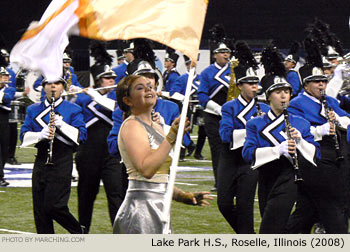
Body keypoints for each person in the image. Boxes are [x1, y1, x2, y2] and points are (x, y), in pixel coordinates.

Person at [113, 75, 212, 234]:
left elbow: (159, 181)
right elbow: (146, 171)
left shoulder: (157, 127)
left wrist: (184, 196)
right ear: (128, 101)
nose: (148, 88)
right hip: (140, 210)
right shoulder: (132, 126)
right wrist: (172, 135)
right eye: (140, 88)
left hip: (158, 208)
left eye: (149, 85)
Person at [242, 77, 320, 234]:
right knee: (272, 224)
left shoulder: (301, 123)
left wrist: (300, 142)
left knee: (269, 229)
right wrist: (277, 150)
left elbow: (316, 154)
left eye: (286, 92)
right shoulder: (254, 124)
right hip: (265, 178)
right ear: (269, 96)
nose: (284, 96)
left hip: (290, 178)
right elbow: (247, 154)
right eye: (278, 92)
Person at [287, 61, 350, 233]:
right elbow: (296, 131)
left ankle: (286, 237)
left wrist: (338, 119)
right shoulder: (296, 103)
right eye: (316, 81)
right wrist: (320, 131)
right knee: (333, 203)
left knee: (306, 210)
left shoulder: (329, 100)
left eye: (323, 80)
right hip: (316, 158)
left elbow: (347, 119)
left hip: (338, 156)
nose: (321, 84)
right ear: (306, 85)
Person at [20, 77, 87, 233]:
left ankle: (79, 231)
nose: (53, 87)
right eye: (49, 84)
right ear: (44, 87)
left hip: (62, 159)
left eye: (57, 84)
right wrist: (40, 135)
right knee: (40, 211)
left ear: (62, 87)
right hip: (41, 159)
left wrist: (62, 125)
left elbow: (82, 136)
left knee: (54, 206)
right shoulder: (33, 109)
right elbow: (23, 136)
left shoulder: (73, 109)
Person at [217, 41, 270, 233]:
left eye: (256, 83)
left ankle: (247, 239)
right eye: (250, 83)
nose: (255, 87)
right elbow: (225, 135)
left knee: (245, 205)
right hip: (229, 158)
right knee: (223, 203)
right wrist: (253, 129)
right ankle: (247, 235)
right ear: (240, 85)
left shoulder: (264, 108)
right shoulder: (229, 107)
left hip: (250, 160)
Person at [74, 65, 124, 233]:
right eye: (107, 78)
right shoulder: (82, 99)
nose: (111, 81)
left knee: (116, 195)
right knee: (86, 195)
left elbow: (115, 109)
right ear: (98, 81)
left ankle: (120, 235)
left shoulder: (119, 99)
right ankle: (82, 232)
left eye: (113, 78)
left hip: (112, 155)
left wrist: (93, 94)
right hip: (88, 154)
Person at [198, 42, 231, 191]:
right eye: (222, 52)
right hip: (213, 114)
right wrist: (218, 109)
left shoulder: (235, 70)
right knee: (217, 148)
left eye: (227, 52)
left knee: (233, 146)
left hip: (233, 114)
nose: (226, 54)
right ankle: (220, 182)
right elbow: (202, 96)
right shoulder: (207, 72)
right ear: (215, 55)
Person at [0, 67, 16, 186]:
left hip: (3, 118)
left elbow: (7, 98)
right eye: (3, 76)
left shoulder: (10, 89)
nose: (6, 78)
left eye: (7, 76)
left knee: (4, 147)